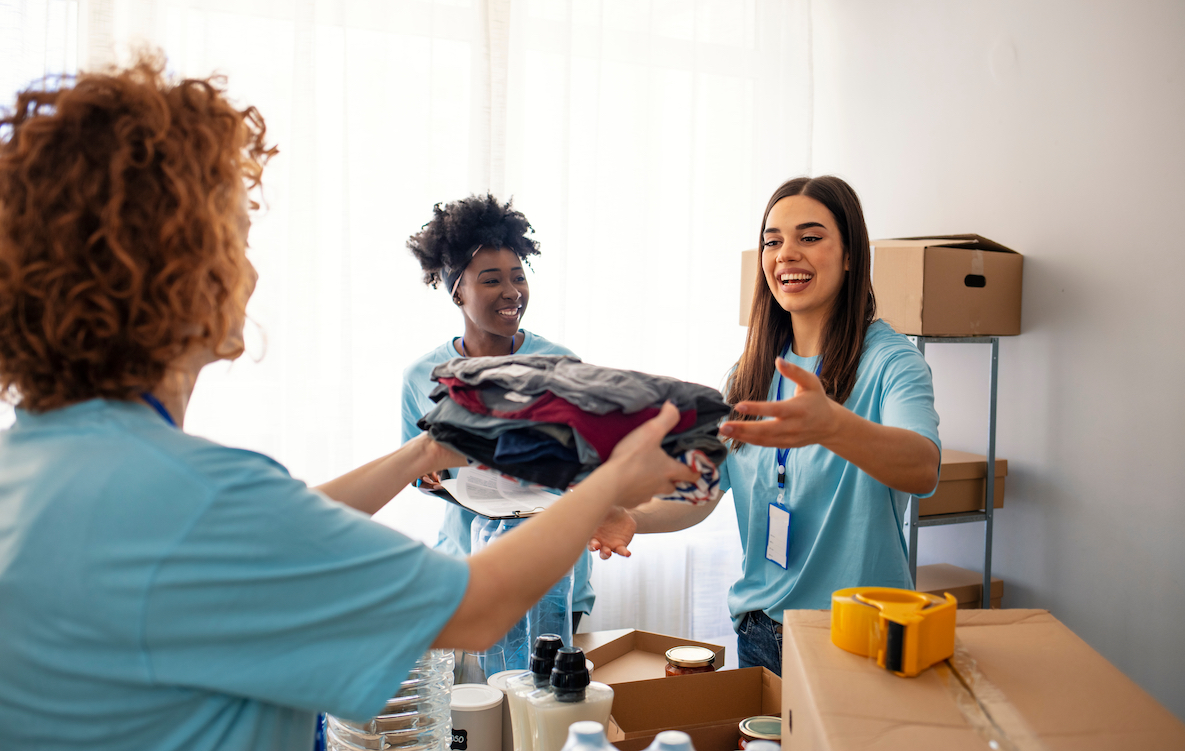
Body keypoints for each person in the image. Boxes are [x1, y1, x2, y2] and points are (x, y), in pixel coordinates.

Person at [0, 55, 697, 751]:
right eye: (233, 237)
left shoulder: (33, 471)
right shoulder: (201, 497)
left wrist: (429, 449)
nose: (249, 268)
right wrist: (616, 478)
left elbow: (275, 526)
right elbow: (476, 608)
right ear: (183, 274)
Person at [590, 175, 942, 676]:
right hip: (760, 632)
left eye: (811, 237)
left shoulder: (892, 363)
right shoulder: (751, 371)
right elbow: (704, 488)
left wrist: (833, 427)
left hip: (857, 637)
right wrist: (632, 517)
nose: (786, 254)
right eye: (772, 241)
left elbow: (923, 467)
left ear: (849, 256)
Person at [402, 196, 595, 630]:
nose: (512, 292)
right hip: (469, 572)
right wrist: (428, 478)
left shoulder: (562, 365)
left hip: (554, 573)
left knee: (548, 695)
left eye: (518, 277)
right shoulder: (421, 376)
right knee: (479, 697)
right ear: (457, 292)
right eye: (491, 280)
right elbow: (415, 471)